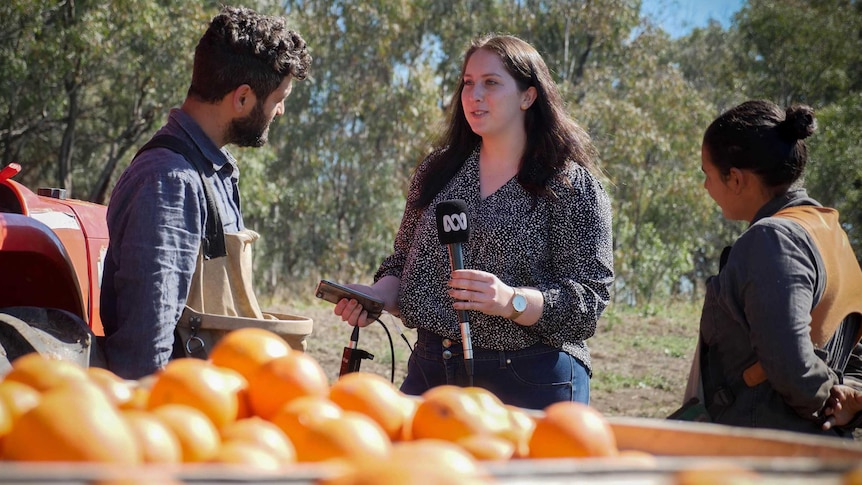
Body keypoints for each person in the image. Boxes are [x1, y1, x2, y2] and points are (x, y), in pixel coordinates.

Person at [333, 34, 614, 410]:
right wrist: (376, 297)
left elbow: (588, 301)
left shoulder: (568, 184)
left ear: (528, 96)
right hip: (433, 370)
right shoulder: (438, 171)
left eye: (491, 83)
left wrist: (510, 300)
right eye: (468, 83)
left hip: (530, 376)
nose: (474, 94)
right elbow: (403, 263)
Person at [100, 6, 311, 379]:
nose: (280, 112)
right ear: (242, 98)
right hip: (181, 412)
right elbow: (146, 351)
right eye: (279, 99)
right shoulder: (170, 181)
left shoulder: (210, 170)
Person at [689, 99, 862, 436]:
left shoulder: (772, 239)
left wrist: (827, 401)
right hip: (818, 442)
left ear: (736, 179)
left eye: (707, 174)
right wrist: (848, 398)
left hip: (768, 446)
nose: (706, 187)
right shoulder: (828, 230)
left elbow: (790, 362)